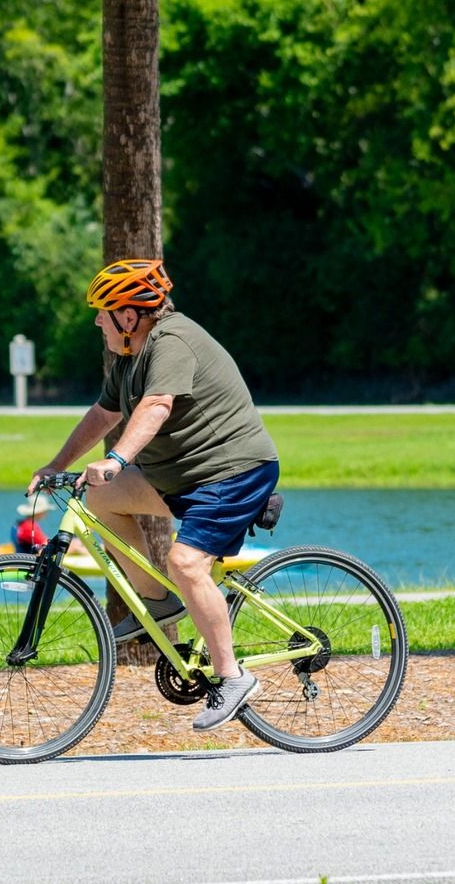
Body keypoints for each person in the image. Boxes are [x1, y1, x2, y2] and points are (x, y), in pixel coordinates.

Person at [29, 258, 280, 732]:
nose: (97, 320)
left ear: (129, 315)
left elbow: (157, 405)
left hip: (231, 473)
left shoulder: (172, 341)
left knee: (185, 562)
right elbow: (104, 415)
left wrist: (117, 460)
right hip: (182, 476)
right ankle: (159, 605)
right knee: (99, 500)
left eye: (103, 311)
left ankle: (232, 676)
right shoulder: (130, 358)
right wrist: (56, 465)